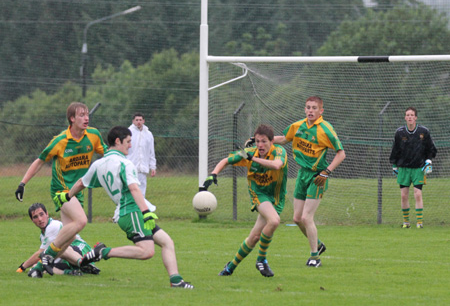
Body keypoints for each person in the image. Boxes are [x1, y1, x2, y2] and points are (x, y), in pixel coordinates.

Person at [66, 126, 193, 289]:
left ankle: (176, 280)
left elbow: (80, 183)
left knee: (167, 242)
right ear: (117, 141)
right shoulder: (125, 164)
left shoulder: (98, 164)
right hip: (132, 211)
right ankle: (103, 252)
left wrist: (67, 197)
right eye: (128, 141)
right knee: (147, 251)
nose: (130, 145)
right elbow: (134, 189)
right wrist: (146, 212)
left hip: (128, 212)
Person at [14, 102, 107, 276]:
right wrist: (22, 183)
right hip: (61, 192)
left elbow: (107, 155)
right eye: (81, 115)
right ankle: (47, 256)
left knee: (68, 237)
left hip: (77, 192)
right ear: (72, 119)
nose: (86, 118)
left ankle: (38, 269)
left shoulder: (93, 135)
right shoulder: (60, 141)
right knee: (81, 221)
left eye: (87, 114)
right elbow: (40, 161)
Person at [202, 124, 288, 277]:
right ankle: (261, 260)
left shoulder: (280, 151)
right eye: (257, 141)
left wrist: (252, 158)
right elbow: (226, 160)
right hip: (258, 194)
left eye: (264, 142)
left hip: (276, 197)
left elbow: (276, 165)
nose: (260, 145)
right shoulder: (248, 153)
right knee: (274, 221)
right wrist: (213, 174)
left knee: (254, 238)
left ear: (272, 141)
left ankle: (230, 267)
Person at [270, 96, 345, 268]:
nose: (310, 110)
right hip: (302, 174)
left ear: (321, 111)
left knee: (306, 217)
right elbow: (284, 139)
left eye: (314, 108)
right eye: (308, 107)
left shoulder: (325, 129)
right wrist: (265, 140)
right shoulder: (298, 126)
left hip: (317, 176)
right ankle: (318, 245)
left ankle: (314, 258)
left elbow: (341, 154)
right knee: (297, 218)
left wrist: (327, 172)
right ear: (305, 109)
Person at [17, 203, 100, 278]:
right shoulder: (43, 234)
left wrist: (22, 267)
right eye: (35, 217)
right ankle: (70, 272)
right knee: (42, 265)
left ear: (47, 214)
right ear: (32, 220)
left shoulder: (53, 226)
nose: (40, 219)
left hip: (80, 248)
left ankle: (84, 263)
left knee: (62, 250)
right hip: (68, 256)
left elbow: (41, 253)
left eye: (41, 214)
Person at [389, 107, 437, 229]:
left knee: (417, 194)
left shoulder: (424, 132)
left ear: (415, 117)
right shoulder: (399, 133)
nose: (410, 117)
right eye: (407, 115)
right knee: (404, 195)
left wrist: (428, 160)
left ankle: (419, 223)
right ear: (405, 117)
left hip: (418, 168)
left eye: (412, 115)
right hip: (404, 168)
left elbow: (431, 148)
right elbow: (395, 150)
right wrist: (394, 165)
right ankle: (406, 223)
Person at [126, 113, 157, 211]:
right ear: (133, 121)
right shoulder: (128, 133)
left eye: (140, 120)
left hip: (142, 168)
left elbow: (151, 151)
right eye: (136, 120)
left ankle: (140, 212)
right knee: (130, 191)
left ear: (144, 121)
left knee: (141, 192)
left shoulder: (148, 134)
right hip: (131, 167)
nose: (138, 122)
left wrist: (153, 166)